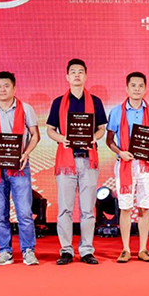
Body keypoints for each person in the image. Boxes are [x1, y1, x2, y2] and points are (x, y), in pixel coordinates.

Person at [0, 71, 40, 266]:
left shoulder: (26, 109)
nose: (2, 90)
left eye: (6, 86)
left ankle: (28, 250)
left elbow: (35, 135)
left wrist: (25, 153)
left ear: (14, 88)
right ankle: (4, 251)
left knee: (25, 212)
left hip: (19, 167)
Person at [46, 59, 107, 265]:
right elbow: (50, 130)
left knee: (88, 209)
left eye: (81, 72)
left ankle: (87, 250)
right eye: (73, 72)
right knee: (65, 208)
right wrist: (62, 139)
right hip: (66, 161)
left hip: (88, 160)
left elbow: (101, 128)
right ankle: (66, 250)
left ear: (86, 76)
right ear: (67, 77)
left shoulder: (95, 102)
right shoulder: (58, 102)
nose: (77, 75)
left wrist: (94, 138)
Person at [106, 72, 149, 263]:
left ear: (145, 89)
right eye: (133, 85)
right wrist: (120, 152)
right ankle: (126, 249)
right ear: (127, 88)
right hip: (125, 164)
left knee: (144, 207)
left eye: (140, 86)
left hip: (146, 165)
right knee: (125, 207)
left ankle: (143, 249)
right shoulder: (116, 111)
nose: (137, 89)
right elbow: (109, 140)